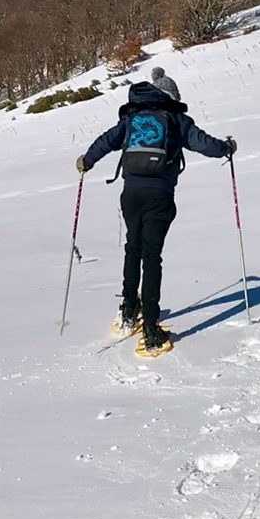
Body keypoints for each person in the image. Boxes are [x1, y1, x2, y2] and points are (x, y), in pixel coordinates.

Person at [76, 80, 234, 351]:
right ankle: (150, 328)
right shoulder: (175, 120)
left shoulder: (132, 118)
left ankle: (128, 309)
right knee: (151, 257)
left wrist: (87, 160)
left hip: (130, 195)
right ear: (170, 96)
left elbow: (107, 141)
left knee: (132, 249)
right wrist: (226, 147)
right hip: (160, 196)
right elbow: (204, 144)